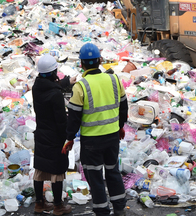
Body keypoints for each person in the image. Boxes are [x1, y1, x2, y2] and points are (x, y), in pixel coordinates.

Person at [62, 43, 129, 216]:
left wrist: (69, 138)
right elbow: (123, 106)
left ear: (81, 64)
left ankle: (102, 212)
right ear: (99, 61)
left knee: (96, 177)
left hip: (92, 141)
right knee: (113, 171)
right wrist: (120, 126)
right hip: (112, 137)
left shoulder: (81, 86)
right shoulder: (114, 79)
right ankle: (120, 209)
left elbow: (74, 117)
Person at [32, 54, 76, 215]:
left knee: (40, 170)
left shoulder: (36, 87)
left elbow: (50, 85)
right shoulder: (56, 95)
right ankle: (58, 206)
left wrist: (66, 82)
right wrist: (68, 137)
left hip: (41, 133)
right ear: (54, 72)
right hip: (55, 137)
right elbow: (60, 121)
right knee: (57, 172)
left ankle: (39, 203)